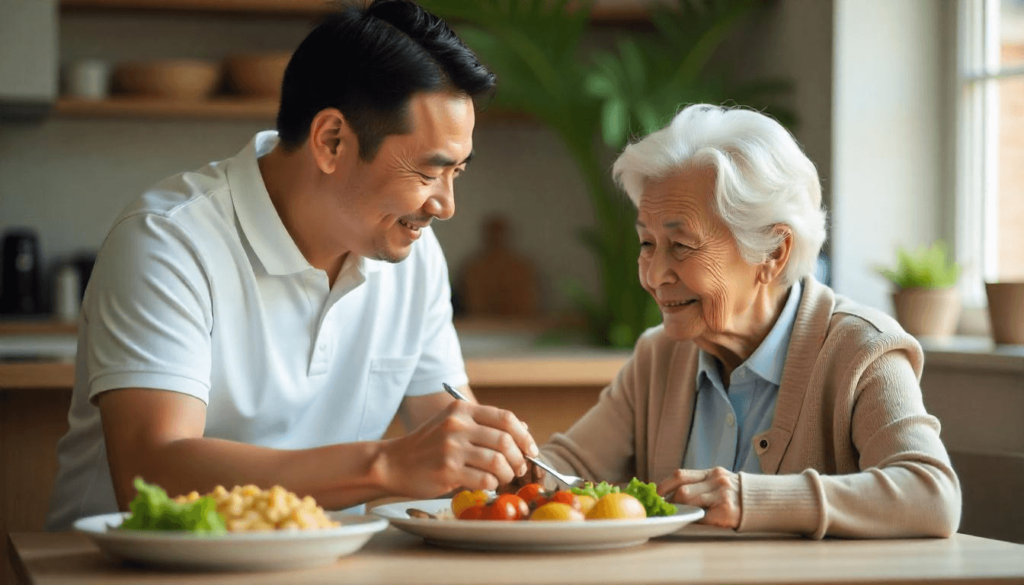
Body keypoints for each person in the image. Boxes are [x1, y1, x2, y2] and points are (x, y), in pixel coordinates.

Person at [46, 0, 538, 531]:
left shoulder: (413, 257)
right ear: (331, 141)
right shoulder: (168, 240)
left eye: (456, 173)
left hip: (319, 564)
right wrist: (386, 464)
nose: (446, 205)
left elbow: (449, 436)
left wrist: (496, 460)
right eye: (427, 172)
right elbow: (151, 472)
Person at [535, 104, 961, 538]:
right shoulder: (659, 355)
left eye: (681, 245)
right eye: (647, 242)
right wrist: (511, 466)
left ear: (773, 252)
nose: (654, 274)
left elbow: (931, 495)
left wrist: (750, 498)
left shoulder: (862, 351)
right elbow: (568, 469)